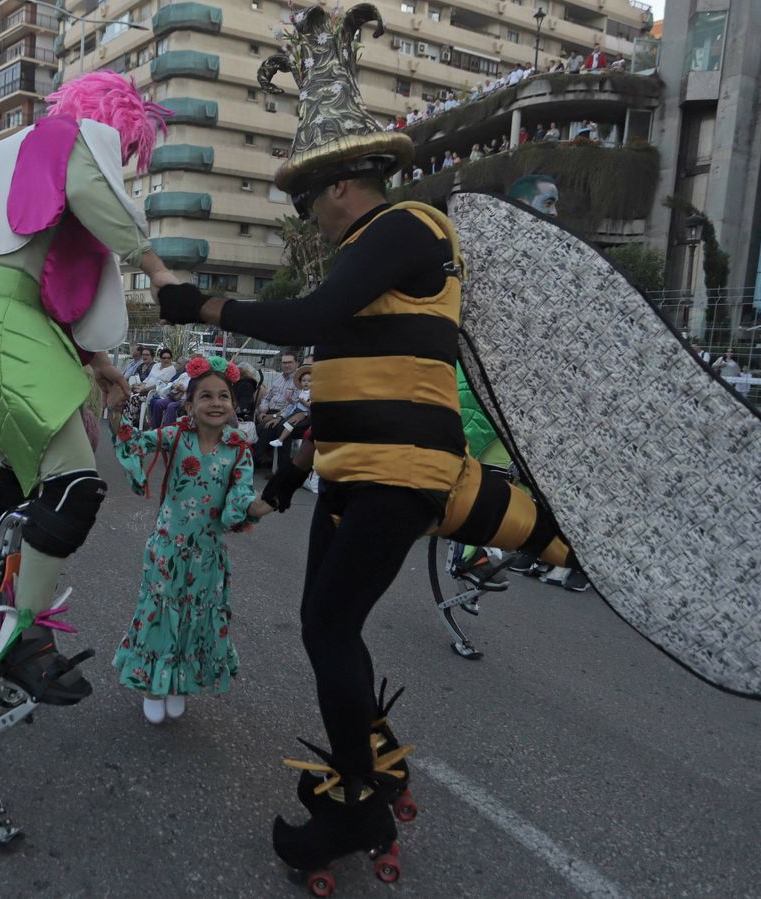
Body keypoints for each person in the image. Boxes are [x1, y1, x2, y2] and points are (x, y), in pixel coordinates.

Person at [157, 17, 577, 873]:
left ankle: (359, 807)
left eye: (309, 195)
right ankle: (374, 771)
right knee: (326, 625)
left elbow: (308, 323)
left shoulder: (405, 227)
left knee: (326, 625)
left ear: (345, 182)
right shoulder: (361, 253)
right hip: (353, 475)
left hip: (401, 476)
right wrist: (289, 478)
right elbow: (347, 371)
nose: (307, 213)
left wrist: (201, 306)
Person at [0, 71, 172, 703]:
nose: (121, 167)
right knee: (76, 485)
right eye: (126, 154)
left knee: (33, 473)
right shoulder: (75, 139)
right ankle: (19, 637)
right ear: (110, 132)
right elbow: (101, 198)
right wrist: (160, 271)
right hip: (8, 323)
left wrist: (98, 361)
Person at [109, 355, 271, 723]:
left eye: (224, 396)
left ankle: (179, 683)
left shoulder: (238, 450)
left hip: (209, 555)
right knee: (161, 614)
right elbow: (133, 443)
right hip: (167, 546)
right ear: (189, 405)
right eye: (206, 397)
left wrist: (265, 504)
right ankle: (153, 684)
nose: (216, 404)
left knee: (195, 620)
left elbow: (239, 501)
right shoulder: (176, 435)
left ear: (233, 403)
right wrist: (117, 412)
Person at [269, 365, 312, 448]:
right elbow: (296, 402)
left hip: (304, 413)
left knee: (289, 424)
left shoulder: (311, 393)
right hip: (297, 410)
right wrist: (291, 401)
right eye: (304, 381)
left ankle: (280, 440)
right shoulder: (302, 391)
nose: (306, 382)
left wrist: (304, 403)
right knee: (286, 423)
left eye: (309, 381)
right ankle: (280, 440)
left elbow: (311, 405)